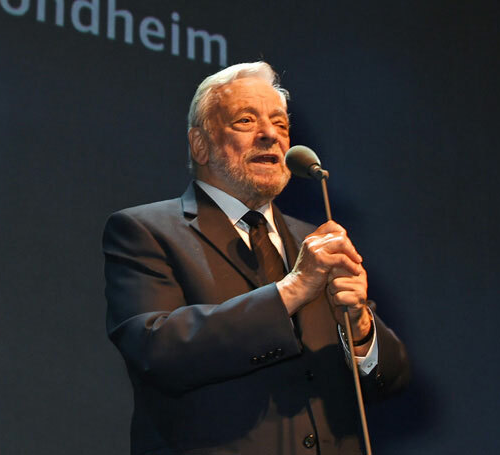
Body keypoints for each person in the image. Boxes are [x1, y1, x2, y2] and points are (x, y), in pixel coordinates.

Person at [103, 61, 410, 455]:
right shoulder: (145, 230)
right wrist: (292, 290)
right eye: (246, 121)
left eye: (281, 125)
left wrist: (361, 327)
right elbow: (156, 351)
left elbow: (394, 378)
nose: (270, 135)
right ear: (201, 144)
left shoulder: (313, 241)